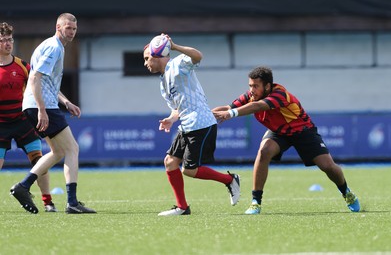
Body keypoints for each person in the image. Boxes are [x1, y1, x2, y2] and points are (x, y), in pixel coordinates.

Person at [212, 66, 360, 214]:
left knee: (327, 166)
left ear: (268, 86)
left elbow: (257, 107)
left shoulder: (280, 95)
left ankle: (346, 192)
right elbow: (227, 107)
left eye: (256, 86)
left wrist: (230, 114)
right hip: (279, 132)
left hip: (303, 131)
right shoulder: (250, 96)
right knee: (264, 152)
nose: (252, 90)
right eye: (250, 85)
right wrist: (206, 113)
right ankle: (256, 202)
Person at [143, 34, 240, 216]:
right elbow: (176, 108)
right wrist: (171, 119)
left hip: (201, 122)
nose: (145, 63)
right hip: (186, 124)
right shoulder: (163, 82)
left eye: (147, 58)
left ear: (157, 55)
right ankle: (182, 207)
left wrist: (174, 46)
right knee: (170, 162)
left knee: (189, 170)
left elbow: (198, 56)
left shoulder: (178, 63)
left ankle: (230, 179)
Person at [9, 13, 96, 214]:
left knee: (58, 152)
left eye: (74, 29)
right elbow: (34, 79)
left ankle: (23, 185)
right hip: (43, 106)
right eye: (68, 28)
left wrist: (66, 102)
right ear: (58, 27)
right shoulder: (54, 48)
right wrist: (41, 109)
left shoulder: (54, 46)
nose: (72, 32)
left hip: (41, 104)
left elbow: (46, 82)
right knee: (73, 149)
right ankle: (72, 202)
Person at [0, 22, 57, 212]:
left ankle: (48, 202)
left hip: (23, 122)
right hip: (1, 125)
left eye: (9, 40)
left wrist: (64, 102)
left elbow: (41, 86)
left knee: (39, 162)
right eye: (3, 40)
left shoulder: (22, 66)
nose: (7, 44)